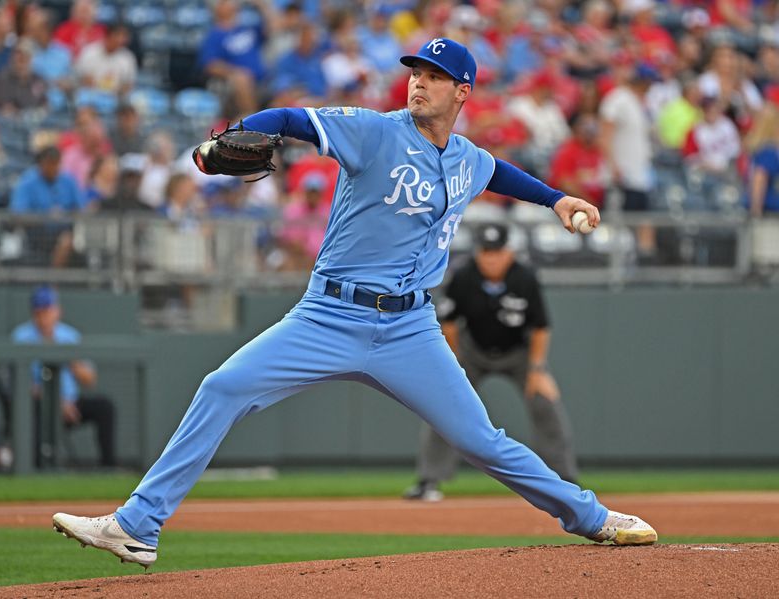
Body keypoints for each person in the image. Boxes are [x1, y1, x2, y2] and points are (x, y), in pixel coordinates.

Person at [52, 38, 657, 568]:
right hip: (328, 316)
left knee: (482, 440)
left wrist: (556, 200)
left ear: (462, 92)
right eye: (416, 72)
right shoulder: (373, 130)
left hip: (410, 330)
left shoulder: (467, 158)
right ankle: (137, 527)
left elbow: (497, 172)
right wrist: (238, 133)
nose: (419, 82)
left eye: (435, 76)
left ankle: (592, 518)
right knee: (222, 387)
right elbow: (291, 117)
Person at [404, 222, 580, 502]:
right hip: (472, 351)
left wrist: (537, 369)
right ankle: (429, 480)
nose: (491, 258)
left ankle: (566, 480)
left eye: (497, 252)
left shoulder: (524, 277)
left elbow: (540, 327)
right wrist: (453, 364)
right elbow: (449, 323)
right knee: (443, 406)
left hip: (517, 353)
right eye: (486, 251)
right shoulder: (463, 276)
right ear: (477, 253)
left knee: (545, 401)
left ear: (509, 253)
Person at [7, 286, 116, 468]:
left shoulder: (69, 336)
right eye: (40, 310)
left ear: (58, 311)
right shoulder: (21, 336)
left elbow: (90, 379)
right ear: (33, 312)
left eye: (48, 309)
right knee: (31, 411)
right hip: (39, 405)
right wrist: (56, 403)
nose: (44, 315)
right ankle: (36, 468)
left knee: (105, 407)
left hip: (71, 405)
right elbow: (20, 384)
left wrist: (70, 359)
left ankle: (108, 467)